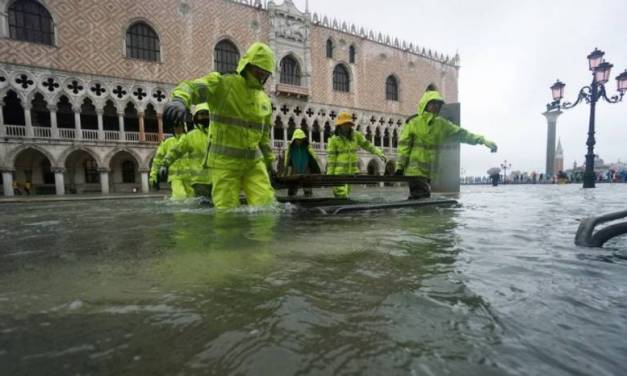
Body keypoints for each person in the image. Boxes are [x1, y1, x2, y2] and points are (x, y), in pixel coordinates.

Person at [163, 42, 276, 210]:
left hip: (254, 164)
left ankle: (265, 236)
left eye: (264, 73)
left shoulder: (264, 100)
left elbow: (264, 138)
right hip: (225, 165)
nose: (260, 76)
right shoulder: (225, 83)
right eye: (257, 70)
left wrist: (269, 164)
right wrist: (180, 100)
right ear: (247, 65)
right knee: (226, 211)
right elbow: (194, 87)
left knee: (267, 207)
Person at [396, 84, 497, 199]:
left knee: (419, 200)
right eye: (433, 103)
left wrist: (482, 140)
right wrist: (400, 166)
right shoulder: (413, 122)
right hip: (414, 171)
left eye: (438, 104)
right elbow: (404, 145)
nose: (436, 106)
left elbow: (462, 134)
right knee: (422, 198)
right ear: (425, 104)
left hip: (429, 173)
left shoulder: (442, 124)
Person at [326, 111, 386, 198]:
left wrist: (379, 152)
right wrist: (330, 176)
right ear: (339, 125)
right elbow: (331, 159)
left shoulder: (356, 135)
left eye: (348, 124)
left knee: (347, 195)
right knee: (341, 195)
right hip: (338, 174)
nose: (347, 126)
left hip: (351, 173)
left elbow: (367, 145)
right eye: (344, 124)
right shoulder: (334, 139)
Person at [162, 103, 212, 199]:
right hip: (200, 180)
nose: (205, 117)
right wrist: (165, 164)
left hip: (218, 177)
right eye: (201, 114)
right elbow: (176, 151)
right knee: (204, 206)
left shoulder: (217, 134)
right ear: (196, 117)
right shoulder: (190, 136)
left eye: (207, 114)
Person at [149, 120, 193, 200]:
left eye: (180, 126)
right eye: (176, 126)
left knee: (193, 199)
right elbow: (157, 160)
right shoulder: (167, 142)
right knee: (180, 197)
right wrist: (153, 176)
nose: (178, 128)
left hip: (190, 177)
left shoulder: (190, 139)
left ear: (183, 127)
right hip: (175, 177)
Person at [284, 128, 321, 197]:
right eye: (297, 139)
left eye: (300, 139)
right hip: (295, 169)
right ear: (294, 139)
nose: (299, 141)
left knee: (307, 189)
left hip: (306, 169)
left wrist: (318, 167)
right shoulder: (291, 148)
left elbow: (314, 157)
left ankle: (308, 198)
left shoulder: (307, 147)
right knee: (292, 191)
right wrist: (286, 172)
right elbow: (287, 160)